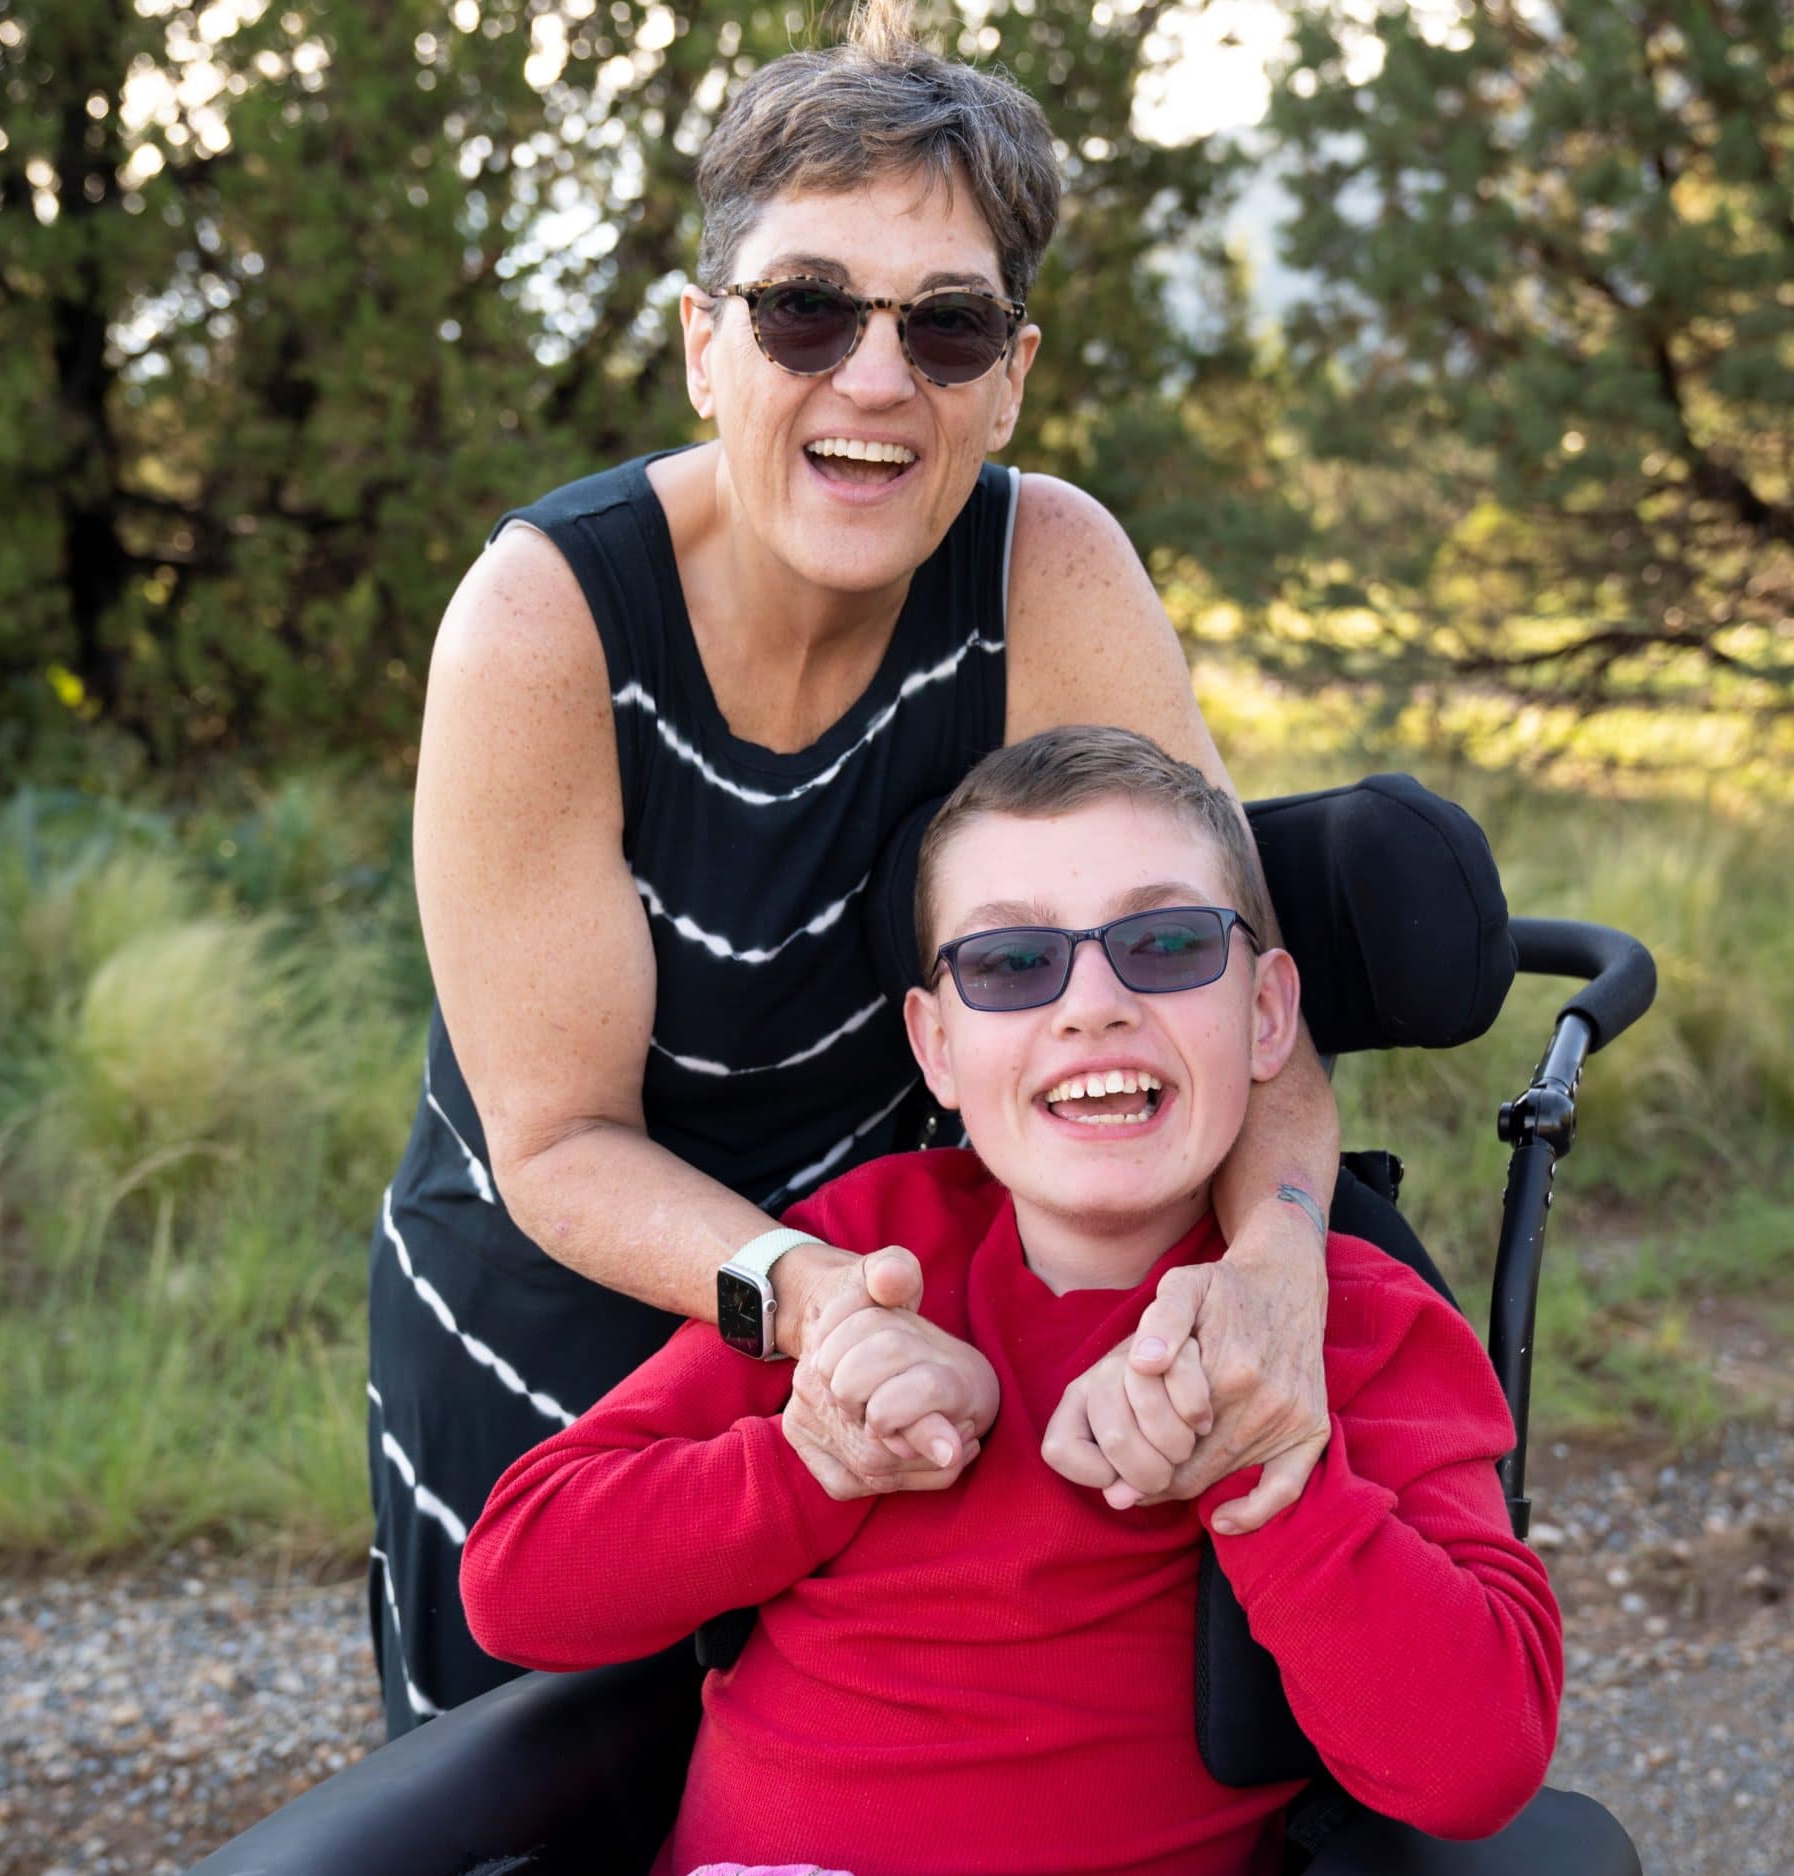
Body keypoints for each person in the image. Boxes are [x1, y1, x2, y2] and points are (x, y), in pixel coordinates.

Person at [372, 2, 1349, 1739]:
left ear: (1012, 371)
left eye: (948, 324)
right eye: (807, 309)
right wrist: (814, 1298)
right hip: (591, 1310)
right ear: (702, 344)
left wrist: (1280, 1263)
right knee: (521, 1844)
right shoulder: (544, 618)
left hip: (906, 1318)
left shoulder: (1048, 567)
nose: (876, 377)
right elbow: (555, 1138)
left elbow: (1225, 977)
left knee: (846, 1825)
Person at [460, 727, 1563, 1876]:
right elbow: (515, 1583)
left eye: (1165, 944)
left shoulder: (1348, 1321)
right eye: (1012, 961)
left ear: (1264, 1013)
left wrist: (1267, 1469)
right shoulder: (864, 1257)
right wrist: (808, 1458)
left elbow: (1479, 1766)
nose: (1092, 1004)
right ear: (936, 1045)